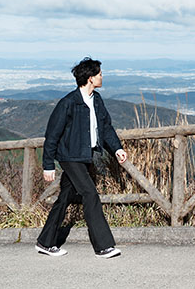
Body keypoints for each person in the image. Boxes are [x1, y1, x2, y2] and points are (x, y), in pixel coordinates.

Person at [35, 57, 128, 259]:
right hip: (70, 156)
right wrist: (48, 165)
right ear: (90, 78)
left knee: (65, 198)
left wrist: (117, 149)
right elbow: (52, 136)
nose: (102, 77)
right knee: (90, 194)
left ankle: (45, 242)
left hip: (85, 156)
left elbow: (106, 128)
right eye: (100, 74)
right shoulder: (69, 103)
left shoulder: (97, 100)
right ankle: (103, 246)